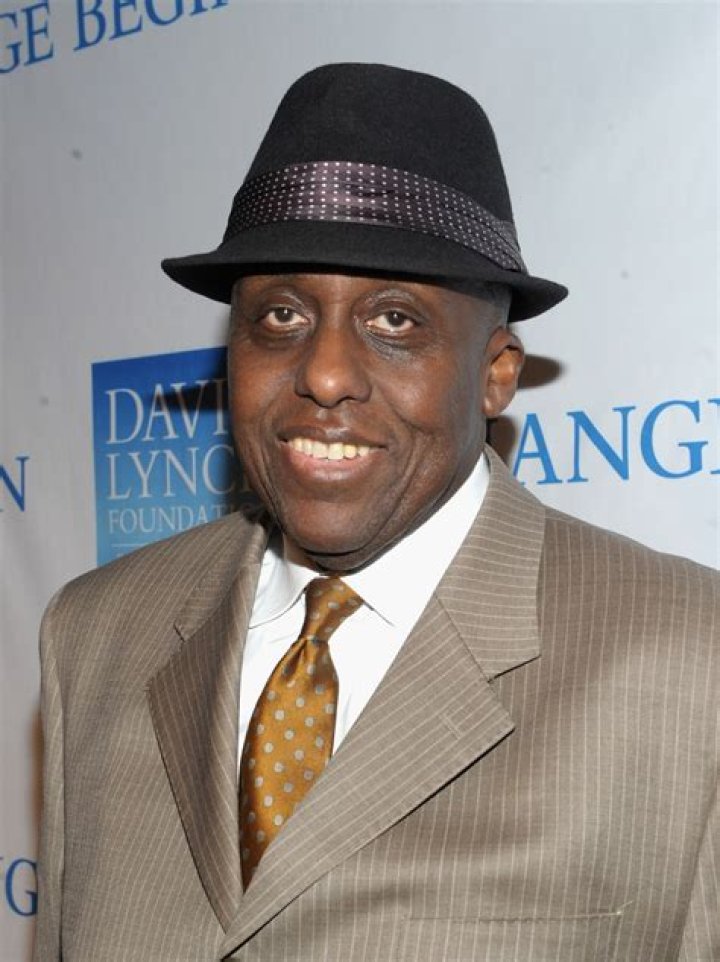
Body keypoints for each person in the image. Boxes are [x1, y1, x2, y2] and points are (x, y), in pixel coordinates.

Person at [34, 63, 717, 962]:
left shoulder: (691, 660)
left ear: (496, 374)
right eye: (280, 316)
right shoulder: (94, 633)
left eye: (395, 321)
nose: (323, 374)